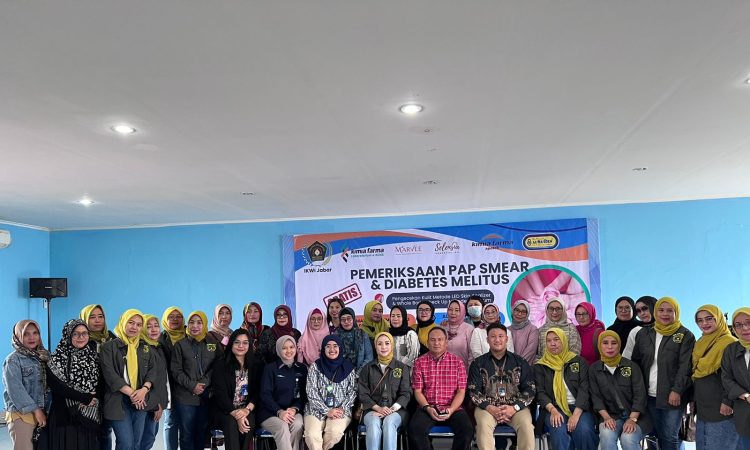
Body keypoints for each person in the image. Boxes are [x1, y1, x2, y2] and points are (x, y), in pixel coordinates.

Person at [631, 296, 695, 450]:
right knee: (657, 434)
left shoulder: (685, 335)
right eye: (661, 310)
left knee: (669, 436)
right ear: (655, 312)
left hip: (672, 396)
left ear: (676, 312)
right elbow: (636, 363)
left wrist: (677, 390)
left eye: (669, 310)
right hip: (649, 395)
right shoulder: (644, 334)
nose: (665, 314)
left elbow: (686, 366)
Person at [468, 323, 536, 450]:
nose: (497, 340)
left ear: (507, 339)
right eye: (493, 336)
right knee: (483, 424)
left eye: (500, 336)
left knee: (526, 425)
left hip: (515, 408)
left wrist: (514, 407)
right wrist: (490, 407)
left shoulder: (520, 362)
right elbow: (473, 390)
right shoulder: (477, 363)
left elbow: (530, 389)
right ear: (487, 340)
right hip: (487, 408)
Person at [409, 327, 474, 450]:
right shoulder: (419, 362)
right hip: (428, 407)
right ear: (427, 343)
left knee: (467, 431)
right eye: (433, 340)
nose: (436, 343)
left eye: (440, 339)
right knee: (415, 430)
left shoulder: (457, 362)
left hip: (453, 408)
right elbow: (417, 391)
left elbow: (461, 391)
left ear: (446, 342)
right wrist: (427, 408)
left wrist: (451, 409)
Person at [100, 309, 156, 450]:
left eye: (138, 324)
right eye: (131, 322)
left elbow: (152, 370)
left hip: (141, 400)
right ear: (123, 322)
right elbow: (110, 375)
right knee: (126, 443)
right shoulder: (108, 347)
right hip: (118, 400)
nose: (134, 327)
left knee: (136, 444)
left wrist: (144, 390)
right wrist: (133, 394)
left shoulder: (145, 347)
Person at [535, 328, 598, 450]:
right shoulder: (541, 366)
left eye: (556, 339)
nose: (552, 344)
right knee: (558, 428)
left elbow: (585, 389)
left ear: (563, 341)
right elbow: (540, 393)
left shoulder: (579, 361)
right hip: (554, 408)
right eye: (548, 341)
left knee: (584, 430)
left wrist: (576, 415)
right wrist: (553, 411)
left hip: (580, 408)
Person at [588, 330, 652, 450]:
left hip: (638, 417)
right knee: (606, 434)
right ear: (599, 346)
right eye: (605, 343)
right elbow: (596, 398)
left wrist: (632, 419)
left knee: (628, 438)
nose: (610, 347)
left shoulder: (632, 366)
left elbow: (640, 396)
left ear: (619, 345)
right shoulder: (594, 369)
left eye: (614, 343)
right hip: (611, 416)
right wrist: (606, 417)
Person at [45, 319, 101, 450]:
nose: (81, 337)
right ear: (68, 335)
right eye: (75, 334)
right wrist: (86, 398)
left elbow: (101, 383)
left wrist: (94, 397)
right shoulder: (56, 358)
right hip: (65, 416)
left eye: (84, 333)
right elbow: (58, 387)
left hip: (88, 415)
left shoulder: (93, 357)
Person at [171, 310, 219, 450]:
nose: (195, 326)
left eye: (199, 322)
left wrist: (203, 384)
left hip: (205, 396)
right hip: (185, 397)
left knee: (202, 433)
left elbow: (217, 366)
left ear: (204, 324)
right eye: (191, 322)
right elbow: (176, 370)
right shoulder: (180, 345)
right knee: (186, 434)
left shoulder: (213, 344)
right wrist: (192, 386)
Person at [692, 305, 738, 450]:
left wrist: (728, 401)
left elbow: (736, 376)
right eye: (700, 320)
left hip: (722, 410)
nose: (704, 323)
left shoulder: (730, 343)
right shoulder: (701, 343)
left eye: (709, 318)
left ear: (718, 319)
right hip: (703, 409)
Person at [358, 332, 412, 450]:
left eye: (387, 343)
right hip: (372, 410)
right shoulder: (367, 368)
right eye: (380, 344)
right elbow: (363, 394)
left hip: (397, 411)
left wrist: (391, 410)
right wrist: (378, 408)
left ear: (392, 345)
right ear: (375, 346)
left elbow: (406, 393)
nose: (383, 347)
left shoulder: (401, 367)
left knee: (389, 421)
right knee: (373, 422)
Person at [304, 335, 357, 450]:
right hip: (315, 409)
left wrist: (342, 408)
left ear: (340, 348)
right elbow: (311, 391)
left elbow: (352, 391)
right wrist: (326, 410)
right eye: (328, 346)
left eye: (335, 346)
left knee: (334, 432)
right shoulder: (315, 367)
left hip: (340, 410)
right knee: (312, 435)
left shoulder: (348, 368)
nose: (332, 349)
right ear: (323, 349)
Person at [3, 320, 50, 450]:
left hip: (43, 412)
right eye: (26, 334)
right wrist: (36, 410)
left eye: (35, 333)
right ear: (18, 336)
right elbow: (15, 390)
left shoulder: (44, 356)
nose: (31, 337)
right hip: (22, 414)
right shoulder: (13, 360)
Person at [213, 329, 263, 450]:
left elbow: (258, 392)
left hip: (247, 409)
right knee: (231, 423)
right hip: (226, 410)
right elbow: (220, 394)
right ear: (231, 344)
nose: (241, 346)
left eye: (245, 343)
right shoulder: (221, 365)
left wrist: (246, 410)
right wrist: (236, 414)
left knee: (248, 422)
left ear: (249, 345)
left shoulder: (257, 365)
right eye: (237, 342)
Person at [258, 335, 308, 450]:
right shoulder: (270, 368)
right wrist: (279, 412)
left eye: (291, 347)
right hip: (270, 412)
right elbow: (265, 395)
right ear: (278, 350)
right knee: (283, 426)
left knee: (298, 424)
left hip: (292, 411)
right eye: (284, 348)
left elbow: (304, 395)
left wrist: (294, 408)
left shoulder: (302, 368)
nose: (289, 351)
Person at [721, 307, 750, 449]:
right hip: (744, 412)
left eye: (748, 322)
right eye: (738, 325)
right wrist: (744, 395)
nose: (744, 328)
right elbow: (726, 377)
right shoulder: (731, 350)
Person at [158, 306, 186, 450]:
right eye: (171, 317)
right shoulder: (160, 339)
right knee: (170, 421)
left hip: (187, 385)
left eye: (178, 316)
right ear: (165, 319)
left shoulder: (190, 334)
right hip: (169, 385)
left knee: (187, 422)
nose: (175, 319)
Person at [139, 315, 168, 450]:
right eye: (148, 327)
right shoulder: (142, 348)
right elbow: (144, 379)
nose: (154, 329)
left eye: (156, 326)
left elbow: (160, 378)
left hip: (155, 402)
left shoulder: (158, 347)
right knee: (144, 439)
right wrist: (155, 404)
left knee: (149, 438)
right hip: (147, 402)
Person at [442, 299, 474, 369]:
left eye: (457, 310)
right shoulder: (442, 327)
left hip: (463, 371)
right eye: (450, 309)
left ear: (462, 312)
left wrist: (469, 372)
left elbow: (472, 354)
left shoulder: (469, 329)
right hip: (443, 371)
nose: (453, 313)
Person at [509, 300, 539, 365]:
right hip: (508, 367)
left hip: (525, 367)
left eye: (523, 312)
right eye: (517, 310)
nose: (519, 314)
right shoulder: (507, 330)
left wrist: (518, 366)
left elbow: (530, 351)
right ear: (513, 311)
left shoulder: (532, 329)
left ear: (527, 314)